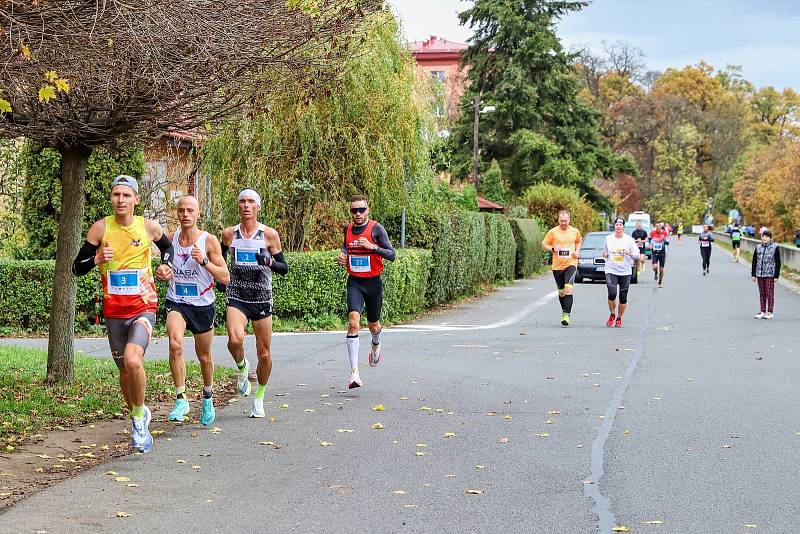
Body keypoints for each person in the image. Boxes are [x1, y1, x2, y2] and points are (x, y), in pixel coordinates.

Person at [72, 175, 174, 454]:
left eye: (126, 195)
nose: (121, 200)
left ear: (136, 200)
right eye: (116, 194)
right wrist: (96, 260)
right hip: (114, 312)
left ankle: (139, 422)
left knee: (133, 359)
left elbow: (168, 248)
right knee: (125, 372)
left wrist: (167, 266)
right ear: (111, 198)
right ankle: (138, 411)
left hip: (143, 307)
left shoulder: (148, 227)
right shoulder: (100, 228)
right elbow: (76, 268)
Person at [221, 189, 289, 418]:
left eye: (251, 202)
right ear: (238, 206)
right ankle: (242, 367)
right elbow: (219, 260)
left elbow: (284, 268)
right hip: (237, 296)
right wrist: (221, 278)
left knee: (264, 354)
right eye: (242, 201)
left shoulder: (269, 235)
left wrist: (269, 261)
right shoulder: (229, 234)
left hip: (261, 298)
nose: (246, 205)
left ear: (258, 207)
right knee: (234, 340)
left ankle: (259, 395)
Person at [166, 196, 229, 426]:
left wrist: (203, 262)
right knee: (175, 343)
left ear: (198, 213)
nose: (185, 214)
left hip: (202, 305)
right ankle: (181, 398)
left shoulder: (208, 241)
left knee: (204, 356)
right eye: (181, 210)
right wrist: (164, 271)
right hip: (177, 301)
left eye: (190, 210)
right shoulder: (171, 239)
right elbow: (166, 264)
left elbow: (225, 277)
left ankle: (207, 396)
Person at [337, 195, 396, 389]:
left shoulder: (376, 229)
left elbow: (392, 255)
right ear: (351, 212)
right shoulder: (348, 229)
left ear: (368, 210)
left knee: (373, 325)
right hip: (354, 282)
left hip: (373, 284)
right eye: (354, 210)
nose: (358, 214)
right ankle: (354, 374)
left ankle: (376, 344)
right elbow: (346, 246)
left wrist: (373, 247)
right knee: (353, 322)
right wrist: (343, 256)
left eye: (361, 209)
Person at [542, 210, 582, 326]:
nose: (563, 223)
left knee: (568, 288)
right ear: (558, 220)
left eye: (565, 221)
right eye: (561, 221)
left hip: (571, 263)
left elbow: (579, 241)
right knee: (561, 292)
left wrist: (577, 251)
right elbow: (544, 244)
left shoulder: (575, 231)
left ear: (569, 220)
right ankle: (564, 311)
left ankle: (567, 316)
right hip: (557, 266)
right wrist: (554, 248)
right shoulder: (553, 232)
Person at [603, 218, 644, 328]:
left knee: (623, 297)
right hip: (611, 269)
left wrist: (629, 253)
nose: (618, 226)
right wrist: (605, 254)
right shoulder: (608, 238)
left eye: (620, 224)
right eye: (617, 224)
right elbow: (605, 251)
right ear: (614, 226)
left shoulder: (629, 240)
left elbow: (637, 255)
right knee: (612, 294)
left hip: (625, 271)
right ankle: (612, 314)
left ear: (623, 227)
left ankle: (619, 318)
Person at [752, 230, 781, 319]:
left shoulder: (775, 247)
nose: (764, 238)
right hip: (759, 274)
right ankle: (762, 310)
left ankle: (770, 311)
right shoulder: (758, 247)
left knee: (769, 293)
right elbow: (754, 261)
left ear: (770, 238)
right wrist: (753, 274)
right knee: (762, 293)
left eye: (766, 237)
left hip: (770, 274)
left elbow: (778, 262)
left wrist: (776, 275)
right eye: (763, 236)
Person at [649, 221, 669, 288]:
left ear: (661, 227)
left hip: (662, 253)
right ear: (655, 227)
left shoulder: (664, 233)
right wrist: (650, 245)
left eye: (659, 226)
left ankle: (660, 282)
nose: (658, 227)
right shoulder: (652, 233)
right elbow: (650, 240)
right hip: (654, 252)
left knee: (662, 269)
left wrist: (664, 239)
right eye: (656, 226)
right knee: (654, 267)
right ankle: (655, 272)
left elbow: (668, 242)